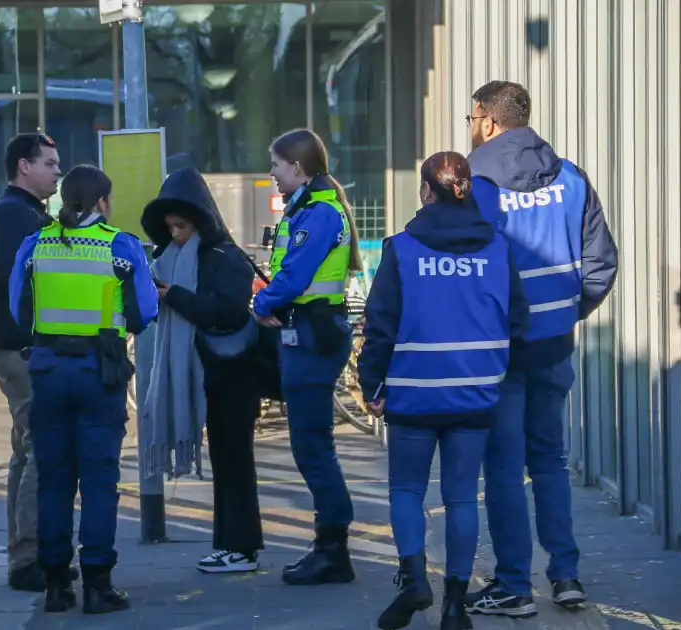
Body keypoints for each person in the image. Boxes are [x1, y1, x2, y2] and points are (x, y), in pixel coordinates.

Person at [464, 81, 618, 616]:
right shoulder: (571, 178)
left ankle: (513, 585)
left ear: (485, 119)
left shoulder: (476, 185)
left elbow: (468, 274)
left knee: (503, 467)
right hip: (554, 346)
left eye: (470, 119)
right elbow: (600, 265)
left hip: (498, 351)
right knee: (549, 461)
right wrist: (565, 315)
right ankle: (566, 576)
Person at [359, 152, 530, 630]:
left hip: (412, 391)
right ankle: (455, 606)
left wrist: (372, 383)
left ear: (426, 192)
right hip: (475, 393)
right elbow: (519, 320)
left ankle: (415, 580)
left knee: (407, 490)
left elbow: (380, 325)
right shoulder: (499, 248)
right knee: (460, 498)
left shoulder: (402, 248)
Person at [9, 164, 158, 614]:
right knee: (99, 482)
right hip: (99, 373)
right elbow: (144, 312)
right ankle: (98, 584)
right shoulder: (121, 247)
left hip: (49, 372)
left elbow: (19, 310)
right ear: (102, 203)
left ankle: (56, 585)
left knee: (53, 480)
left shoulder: (35, 245)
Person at [252, 128, 364, 586]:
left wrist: (262, 304)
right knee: (311, 445)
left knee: (312, 447)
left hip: (313, 337)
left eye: (277, 165)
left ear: (298, 167)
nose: (273, 173)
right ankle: (329, 545)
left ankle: (333, 547)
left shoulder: (317, 213)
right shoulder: (311, 208)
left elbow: (294, 276)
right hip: (310, 333)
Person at [140, 167, 264, 573]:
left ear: (201, 221)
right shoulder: (171, 259)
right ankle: (229, 545)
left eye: (182, 225)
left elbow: (224, 311)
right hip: (209, 374)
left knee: (235, 462)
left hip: (232, 375)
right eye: (170, 227)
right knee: (226, 463)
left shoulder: (226, 258)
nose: (175, 233)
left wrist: (173, 295)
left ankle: (240, 547)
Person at [0, 132, 61, 591]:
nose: (56, 172)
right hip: (21, 348)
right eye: (49, 163)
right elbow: (27, 286)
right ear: (23, 166)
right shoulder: (15, 217)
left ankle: (23, 551)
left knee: (26, 450)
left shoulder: (19, 214)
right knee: (41, 449)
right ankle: (29, 559)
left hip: (14, 345)